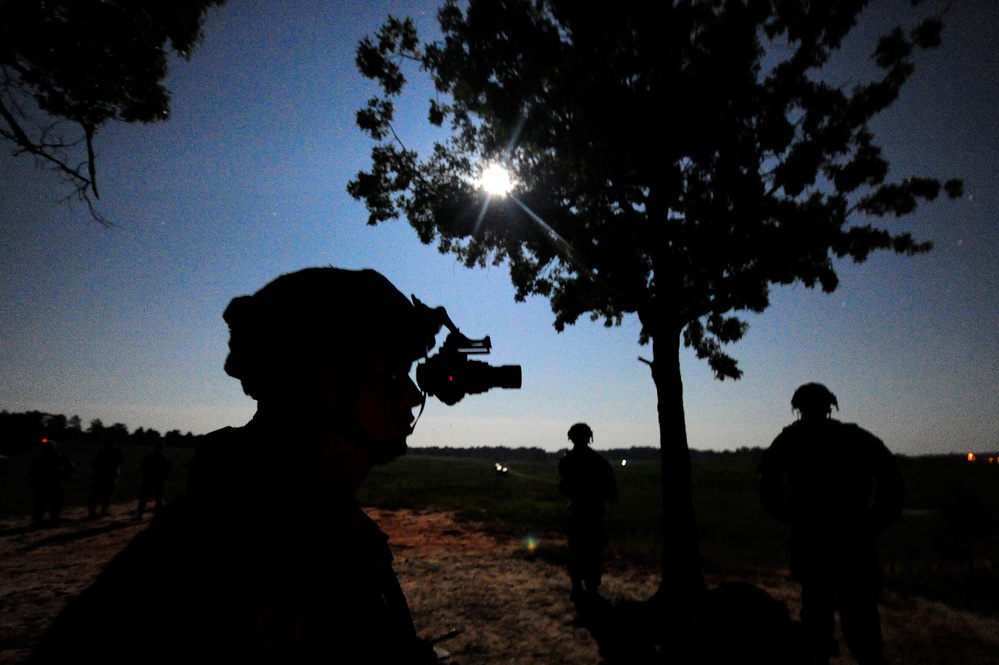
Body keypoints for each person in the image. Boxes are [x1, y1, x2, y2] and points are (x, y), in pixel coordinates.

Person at [26, 267, 449, 664]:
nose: (412, 396)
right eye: (392, 375)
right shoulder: (218, 549)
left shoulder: (314, 514)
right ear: (323, 385)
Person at [758, 383, 904, 665]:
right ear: (829, 406)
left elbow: (768, 490)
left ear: (798, 408)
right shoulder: (852, 437)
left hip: (820, 545)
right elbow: (892, 477)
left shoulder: (792, 439)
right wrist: (875, 521)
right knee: (856, 622)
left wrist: (794, 519)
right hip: (849, 543)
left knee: (821, 623)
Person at [558, 422, 619, 605]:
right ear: (589, 437)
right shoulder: (600, 462)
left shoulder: (567, 461)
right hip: (595, 514)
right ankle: (591, 589)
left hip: (577, 512)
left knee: (576, 549)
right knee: (593, 550)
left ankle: (576, 588)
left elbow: (564, 488)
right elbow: (613, 493)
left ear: (571, 437)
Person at [27, 439, 74, 527]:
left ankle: (39, 518)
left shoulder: (39, 459)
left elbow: (31, 473)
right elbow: (70, 467)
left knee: (43, 501)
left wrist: (32, 484)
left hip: (45, 483)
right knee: (54, 500)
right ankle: (51, 517)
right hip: (53, 483)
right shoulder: (58, 457)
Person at [88, 436, 124, 518]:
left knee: (101, 493)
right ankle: (101, 510)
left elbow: (95, 463)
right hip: (109, 475)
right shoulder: (116, 451)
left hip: (104, 475)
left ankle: (95, 510)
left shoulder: (102, 452)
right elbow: (120, 461)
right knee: (106, 493)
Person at [134, 441, 172, 519]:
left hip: (151, 479)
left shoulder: (151, 457)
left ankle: (140, 515)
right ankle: (156, 515)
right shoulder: (164, 458)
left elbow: (143, 465)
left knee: (147, 498)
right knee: (156, 498)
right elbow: (167, 470)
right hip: (156, 480)